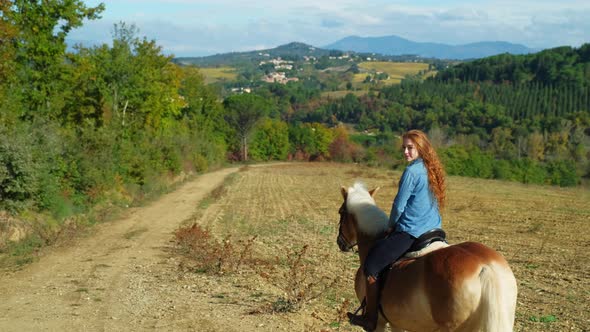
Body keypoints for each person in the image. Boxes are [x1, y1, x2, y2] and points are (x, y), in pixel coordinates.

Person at [347, 129, 446, 331]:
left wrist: (391, 225)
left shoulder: (411, 171)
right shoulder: (431, 168)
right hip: (435, 231)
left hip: (411, 232)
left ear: (421, 147)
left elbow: (399, 205)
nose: (406, 152)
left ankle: (370, 317)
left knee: (372, 264)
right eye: (404, 148)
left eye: (410, 148)